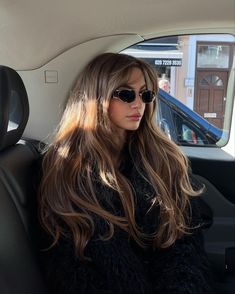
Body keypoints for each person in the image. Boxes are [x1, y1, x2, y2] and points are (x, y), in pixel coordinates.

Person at [38, 52, 214, 294]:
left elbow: (183, 244)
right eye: (126, 93)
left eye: (146, 93)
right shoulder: (66, 168)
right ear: (97, 98)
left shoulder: (163, 158)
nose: (139, 103)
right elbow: (69, 267)